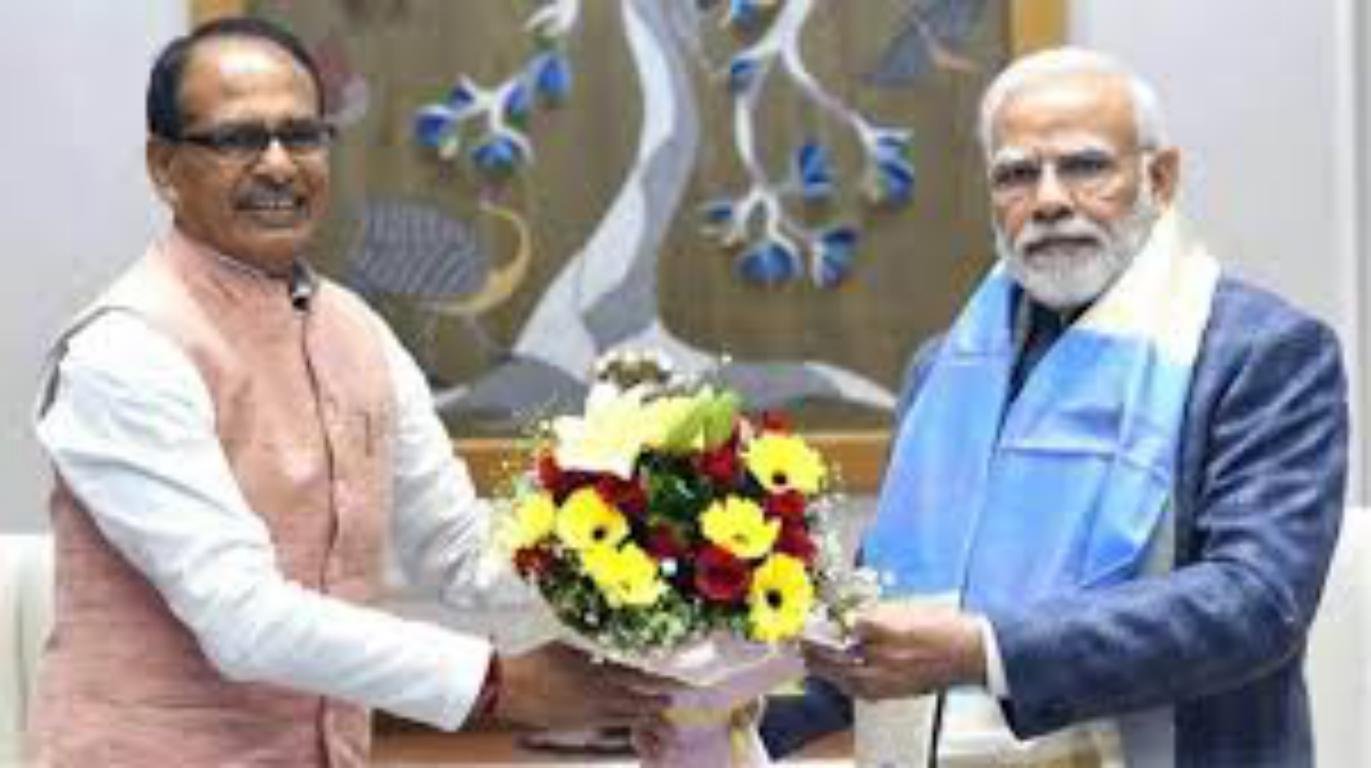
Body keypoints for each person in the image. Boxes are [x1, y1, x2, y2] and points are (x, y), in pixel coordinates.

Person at [27, 16, 673, 767]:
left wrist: (650, 547)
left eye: (301, 135)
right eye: (237, 139)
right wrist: (501, 683)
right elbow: (242, 618)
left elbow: (460, 555)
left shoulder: (356, 331)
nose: (278, 164)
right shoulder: (124, 349)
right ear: (164, 166)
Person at [763, 47, 1348, 767]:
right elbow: (883, 626)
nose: (1047, 201)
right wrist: (717, 709)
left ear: (1160, 179)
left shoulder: (1261, 353)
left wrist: (985, 651)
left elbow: (1256, 601)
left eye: (1083, 166)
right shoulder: (941, 369)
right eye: (1015, 175)